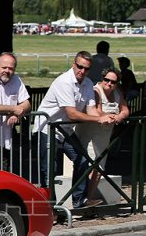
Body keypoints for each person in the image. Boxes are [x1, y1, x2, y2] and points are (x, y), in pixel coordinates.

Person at [33, 51, 116, 208]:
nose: (82, 71)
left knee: (83, 160)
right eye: (79, 67)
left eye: (86, 68)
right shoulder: (64, 82)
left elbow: (91, 110)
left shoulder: (88, 83)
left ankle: (79, 200)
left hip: (66, 131)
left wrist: (108, 117)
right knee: (49, 171)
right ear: (73, 64)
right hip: (47, 130)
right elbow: (72, 114)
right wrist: (99, 119)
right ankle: (50, 208)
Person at [77, 67, 129, 203]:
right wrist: (111, 116)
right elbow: (96, 111)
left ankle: (89, 198)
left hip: (105, 136)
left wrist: (120, 116)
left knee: (99, 169)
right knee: (90, 166)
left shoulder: (117, 92)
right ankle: (81, 198)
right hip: (91, 133)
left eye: (113, 81)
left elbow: (125, 109)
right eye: (107, 80)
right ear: (103, 78)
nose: (109, 84)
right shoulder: (96, 91)